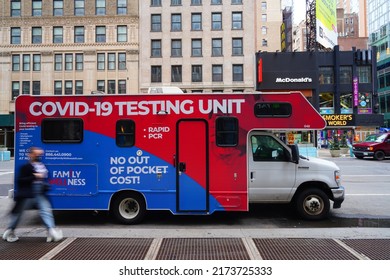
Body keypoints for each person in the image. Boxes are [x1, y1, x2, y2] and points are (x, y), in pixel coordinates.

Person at [2, 147, 63, 243]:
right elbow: (20, 180)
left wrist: (44, 183)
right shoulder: (26, 167)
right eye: (36, 154)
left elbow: (44, 178)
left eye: (39, 154)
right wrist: (34, 176)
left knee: (46, 211)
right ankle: (10, 231)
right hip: (28, 194)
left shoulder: (41, 165)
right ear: (30, 155)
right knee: (18, 214)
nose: (38, 156)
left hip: (39, 193)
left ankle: (51, 231)